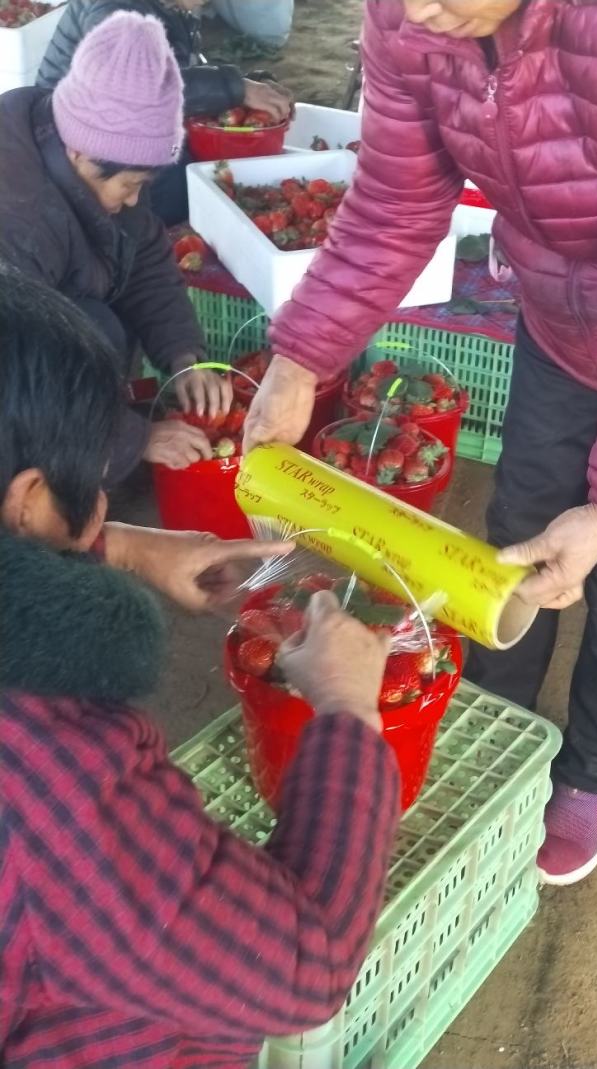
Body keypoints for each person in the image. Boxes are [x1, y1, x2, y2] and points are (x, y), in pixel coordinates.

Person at [244, 0, 597, 885]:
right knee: (520, 530)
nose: (413, 7)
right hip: (560, 315)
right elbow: (392, 200)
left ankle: (592, 774)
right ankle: (497, 723)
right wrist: (300, 361)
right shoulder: (412, 14)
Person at [0, 261, 399, 1067]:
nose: (109, 499)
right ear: (32, 499)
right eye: (102, 484)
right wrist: (349, 712)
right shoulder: (49, 774)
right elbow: (308, 966)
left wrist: (128, 547)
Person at [0, 11, 233, 483]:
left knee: (99, 326)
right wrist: (131, 439)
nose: (133, 199)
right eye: (129, 184)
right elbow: (18, 370)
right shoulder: (18, 219)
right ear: (80, 155)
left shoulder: (76, 140)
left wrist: (182, 357)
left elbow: (145, 255)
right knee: (94, 332)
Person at [37, 0, 293, 225]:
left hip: (114, 129)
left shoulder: (172, 6)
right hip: (74, 140)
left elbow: (177, 68)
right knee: (176, 183)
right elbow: (134, 90)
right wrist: (235, 88)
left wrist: (241, 89)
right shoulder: (116, 9)